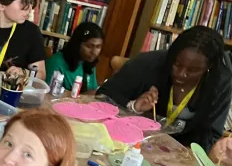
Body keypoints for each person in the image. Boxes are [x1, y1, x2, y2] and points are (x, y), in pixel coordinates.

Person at [97, 25, 232, 152]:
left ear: (209, 68)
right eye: (177, 64)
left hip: (180, 154)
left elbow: (209, 135)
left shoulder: (220, 83)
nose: (181, 74)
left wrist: (183, 156)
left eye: (193, 70)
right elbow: (103, 96)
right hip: (131, 143)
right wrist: (132, 106)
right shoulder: (148, 63)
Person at [45, 21, 103, 92]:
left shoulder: (90, 63)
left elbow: (92, 90)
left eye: (98, 47)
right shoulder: (56, 62)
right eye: (89, 46)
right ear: (77, 44)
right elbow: (47, 93)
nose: (94, 52)